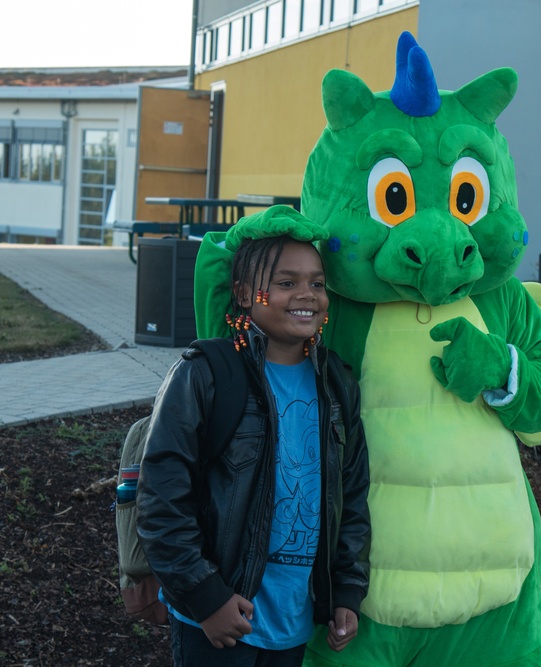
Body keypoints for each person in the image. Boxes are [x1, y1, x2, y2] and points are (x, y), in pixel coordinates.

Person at [136, 227, 371, 667]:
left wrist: (347, 591)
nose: (307, 295)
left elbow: (352, 496)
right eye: (286, 283)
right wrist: (206, 597)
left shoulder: (338, 384)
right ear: (245, 293)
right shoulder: (205, 374)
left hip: (294, 624)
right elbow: (162, 497)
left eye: (317, 284)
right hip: (218, 622)